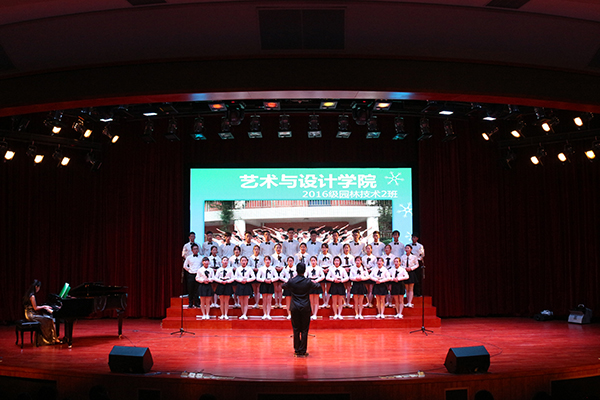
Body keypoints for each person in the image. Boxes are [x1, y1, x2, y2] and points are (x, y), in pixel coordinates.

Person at [282, 262, 320, 357]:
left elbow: (283, 286)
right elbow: (318, 286)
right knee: (304, 330)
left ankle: (297, 350)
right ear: (305, 270)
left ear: (296, 270)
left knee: (296, 329)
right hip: (305, 307)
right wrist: (314, 281)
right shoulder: (308, 281)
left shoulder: (292, 281)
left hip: (294, 307)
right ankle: (303, 350)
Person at [22, 280, 61, 345]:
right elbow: (35, 308)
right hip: (31, 315)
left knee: (47, 319)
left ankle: (50, 338)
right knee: (49, 320)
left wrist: (44, 307)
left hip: (28, 314)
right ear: (36, 287)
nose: (39, 289)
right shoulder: (32, 296)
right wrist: (44, 306)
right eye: (39, 287)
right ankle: (51, 339)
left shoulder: (28, 294)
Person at [256, 255, 277, 320]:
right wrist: (264, 280)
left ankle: (268, 314)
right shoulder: (261, 268)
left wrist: (271, 280)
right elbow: (257, 277)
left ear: (270, 261)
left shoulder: (273, 268)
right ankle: (264, 314)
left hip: (270, 284)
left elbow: (276, 277)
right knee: (264, 300)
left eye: (268, 260)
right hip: (263, 284)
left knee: (269, 300)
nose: (267, 261)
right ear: (264, 261)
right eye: (266, 260)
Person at [306, 256, 325, 320]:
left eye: (314, 260)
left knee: (316, 300)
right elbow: (305, 276)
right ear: (310, 262)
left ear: (316, 261)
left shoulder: (319, 268)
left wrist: (316, 280)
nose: (313, 262)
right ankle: (311, 313)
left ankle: (315, 314)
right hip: (310, 283)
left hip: (316, 283)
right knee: (311, 300)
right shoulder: (308, 268)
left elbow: (323, 276)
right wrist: (309, 281)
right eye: (312, 261)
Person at [183, 244, 202, 308]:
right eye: (194, 249)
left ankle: (197, 303)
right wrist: (189, 270)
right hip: (191, 274)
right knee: (190, 289)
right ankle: (190, 303)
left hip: (198, 275)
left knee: (197, 289)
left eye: (197, 249)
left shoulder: (201, 257)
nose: (196, 250)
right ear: (192, 250)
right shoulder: (189, 257)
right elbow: (185, 266)